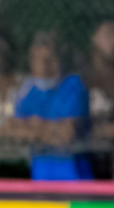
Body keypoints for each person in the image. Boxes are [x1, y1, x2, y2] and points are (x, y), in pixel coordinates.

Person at [8, 31, 92, 181]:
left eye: (49, 59)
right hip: (38, 170)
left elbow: (67, 135)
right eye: (37, 59)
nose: (43, 65)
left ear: (60, 59)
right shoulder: (27, 90)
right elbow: (13, 131)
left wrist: (34, 128)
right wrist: (52, 129)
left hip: (72, 171)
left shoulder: (73, 85)